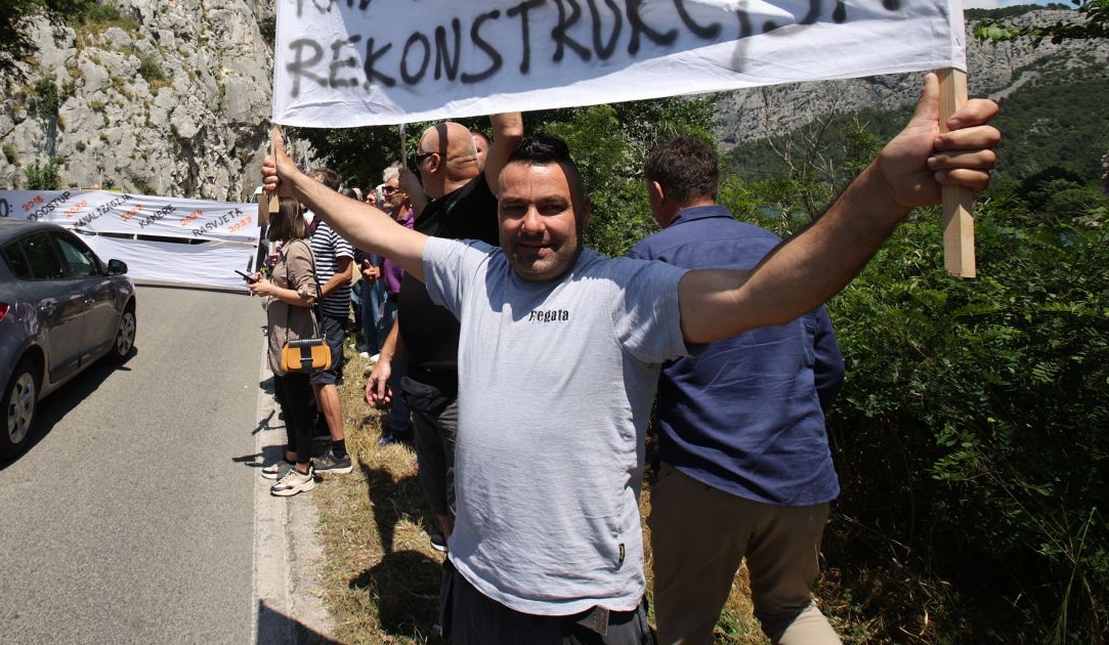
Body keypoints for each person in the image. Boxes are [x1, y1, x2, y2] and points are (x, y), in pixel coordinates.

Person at [265, 75, 1000, 645]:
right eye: (515, 208)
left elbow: (773, 291)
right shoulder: (476, 272)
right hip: (474, 584)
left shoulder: (627, 291)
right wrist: (298, 183)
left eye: (551, 207)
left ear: (582, 212)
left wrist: (883, 191)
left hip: (583, 609)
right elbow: (378, 232)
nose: (531, 224)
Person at [630, 137, 844, 645]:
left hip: (705, 472)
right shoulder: (781, 249)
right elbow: (829, 367)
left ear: (657, 192)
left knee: (684, 630)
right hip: (801, 472)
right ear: (714, 184)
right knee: (793, 610)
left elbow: (631, 371)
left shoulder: (650, 257)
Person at [364, 115, 522, 553]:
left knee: (471, 501)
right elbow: (420, 295)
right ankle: (454, 568)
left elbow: (510, 132)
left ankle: (472, 576)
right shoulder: (433, 213)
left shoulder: (483, 200)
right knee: (438, 496)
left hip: (462, 389)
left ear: (434, 162)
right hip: (423, 385)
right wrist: (387, 357)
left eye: (419, 160)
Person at [249, 198, 322, 497]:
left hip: (296, 340)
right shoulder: (289, 247)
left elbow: (309, 295)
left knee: (299, 405)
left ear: (285, 219)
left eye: (274, 216)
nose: (269, 221)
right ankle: (293, 456)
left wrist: (271, 288)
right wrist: (266, 283)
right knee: (288, 402)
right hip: (284, 338)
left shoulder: (298, 250)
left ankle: (304, 469)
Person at [307, 167, 356, 475]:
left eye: (312, 184)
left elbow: (346, 272)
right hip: (319, 311)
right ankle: (324, 429)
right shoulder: (317, 222)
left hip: (330, 313)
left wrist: (316, 295)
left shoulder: (336, 223)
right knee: (316, 374)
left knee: (324, 376)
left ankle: (340, 453)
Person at [372, 166, 416, 448]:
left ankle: (408, 425)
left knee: (407, 367)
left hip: (410, 306)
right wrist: (377, 274)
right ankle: (400, 424)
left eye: (390, 189)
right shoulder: (390, 224)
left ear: (407, 195)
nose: (385, 194)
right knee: (396, 368)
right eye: (384, 189)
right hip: (391, 302)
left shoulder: (416, 226)